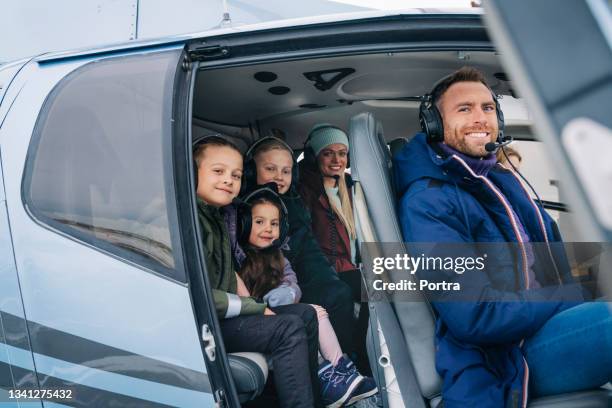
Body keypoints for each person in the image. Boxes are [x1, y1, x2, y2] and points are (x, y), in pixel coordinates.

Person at [393, 67, 611, 407]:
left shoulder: (497, 180)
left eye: (488, 108)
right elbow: (476, 317)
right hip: (501, 358)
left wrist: (596, 275)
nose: (481, 118)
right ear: (434, 124)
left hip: (536, 327)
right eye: (464, 109)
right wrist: (575, 292)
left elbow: (553, 259)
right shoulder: (428, 201)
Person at [193, 136, 319, 408]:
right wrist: (253, 307)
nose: (228, 180)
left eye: (236, 175)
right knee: (287, 327)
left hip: (223, 315)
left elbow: (229, 274)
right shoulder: (194, 223)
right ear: (193, 174)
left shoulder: (220, 216)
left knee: (305, 315)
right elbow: (195, 291)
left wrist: (255, 303)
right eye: (218, 171)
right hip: (203, 321)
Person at [232, 185, 377, 407]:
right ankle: (334, 374)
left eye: (274, 223)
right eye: (259, 222)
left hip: (277, 312)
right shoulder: (238, 256)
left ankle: (340, 369)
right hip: (256, 319)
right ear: (243, 224)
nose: (268, 229)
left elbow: (292, 283)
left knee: (317, 311)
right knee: (312, 314)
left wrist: (286, 293)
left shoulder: (278, 257)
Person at [242, 137, 355, 356]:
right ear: (250, 171)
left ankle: (349, 363)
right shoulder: (245, 209)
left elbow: (310, 252)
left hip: (294, 281)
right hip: (263, 288)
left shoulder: (294, 205)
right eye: (270, 169)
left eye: (286, 171)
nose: (279, 177)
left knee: (340, 292)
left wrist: (328, 281)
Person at [298, 124, 370, 374]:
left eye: (342, 153)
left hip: (354, 266)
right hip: (330, 270)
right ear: (314, 156)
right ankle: (358, 361)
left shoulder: (351, 186)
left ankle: (368, 355)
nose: (337, 160)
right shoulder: (306, 190)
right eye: (328, 153)